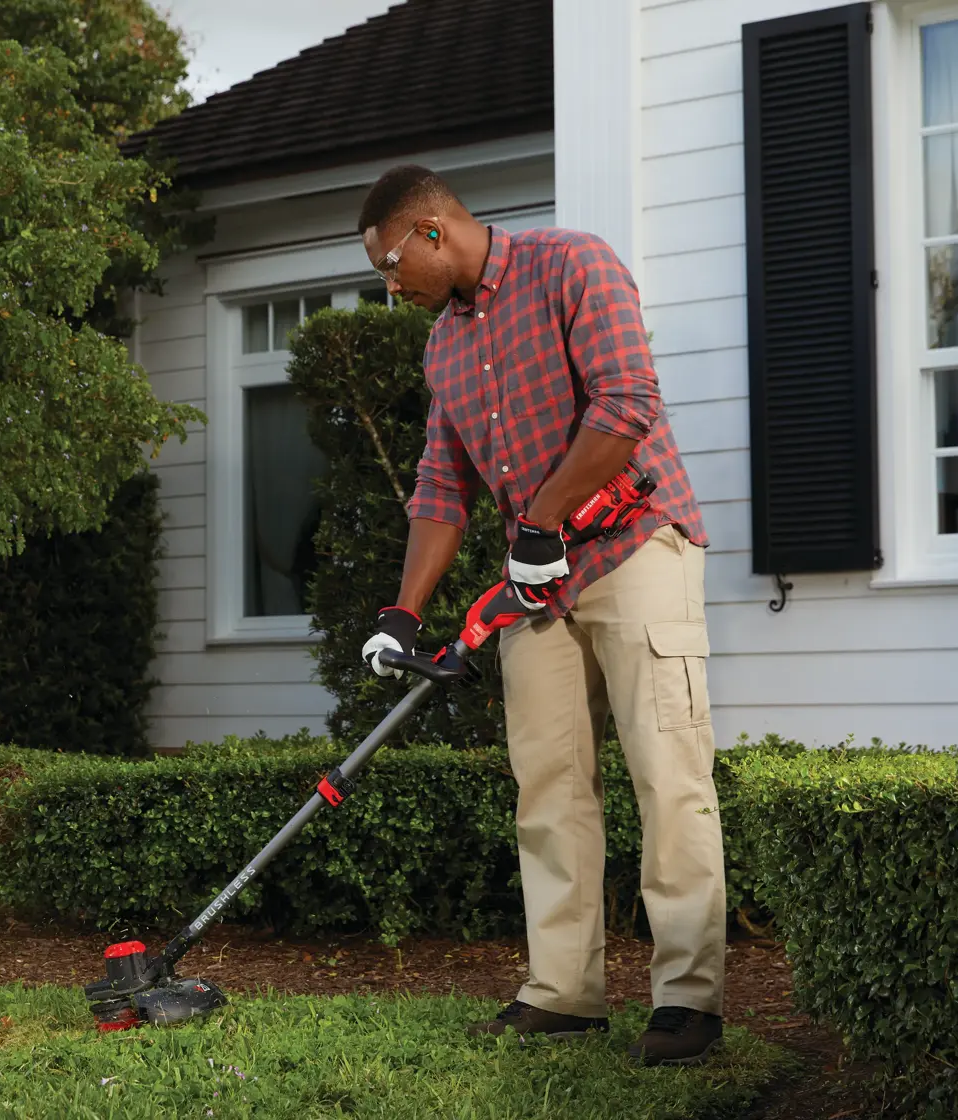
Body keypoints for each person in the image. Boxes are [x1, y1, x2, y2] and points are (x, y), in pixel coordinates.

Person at [355, 165, 726, 1067]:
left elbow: (628, 402)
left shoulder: (572, 265)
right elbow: (442, 488)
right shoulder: (444, 347)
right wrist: (403, 615)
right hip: (538, 583)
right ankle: (565, 992)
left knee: (665, 771)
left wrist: (542, 517)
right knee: (548, 788)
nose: (389, 285)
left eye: (390, 262)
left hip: (635, 546)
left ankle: (689, 1001)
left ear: (433, 229)